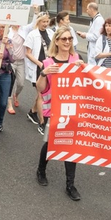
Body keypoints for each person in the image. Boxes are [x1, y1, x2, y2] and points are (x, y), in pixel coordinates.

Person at [35, 26, 83, 201]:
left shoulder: (77, 60)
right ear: (56, 41)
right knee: (51, 143)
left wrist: (83, 69)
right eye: (64, 39)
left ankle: (70, 185)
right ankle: (41, 170)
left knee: (71, 145)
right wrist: (43, 73)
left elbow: (86, 84)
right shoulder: (48, 63)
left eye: (70, 39)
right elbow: (40, 89)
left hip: (71, 110)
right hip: (53, 110)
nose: (67, 42)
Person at [24, 12, 53, 132]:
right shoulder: (32, 34)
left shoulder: (51, 33)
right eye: (43, 22)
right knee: (42, 94)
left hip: (50, 67)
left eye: (47, 22)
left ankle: (32, 111)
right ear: (38, 22)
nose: (45, 24)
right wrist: (40, 63)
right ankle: (42, 123)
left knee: (43, 93)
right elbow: (28, 53)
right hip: (39, 68)